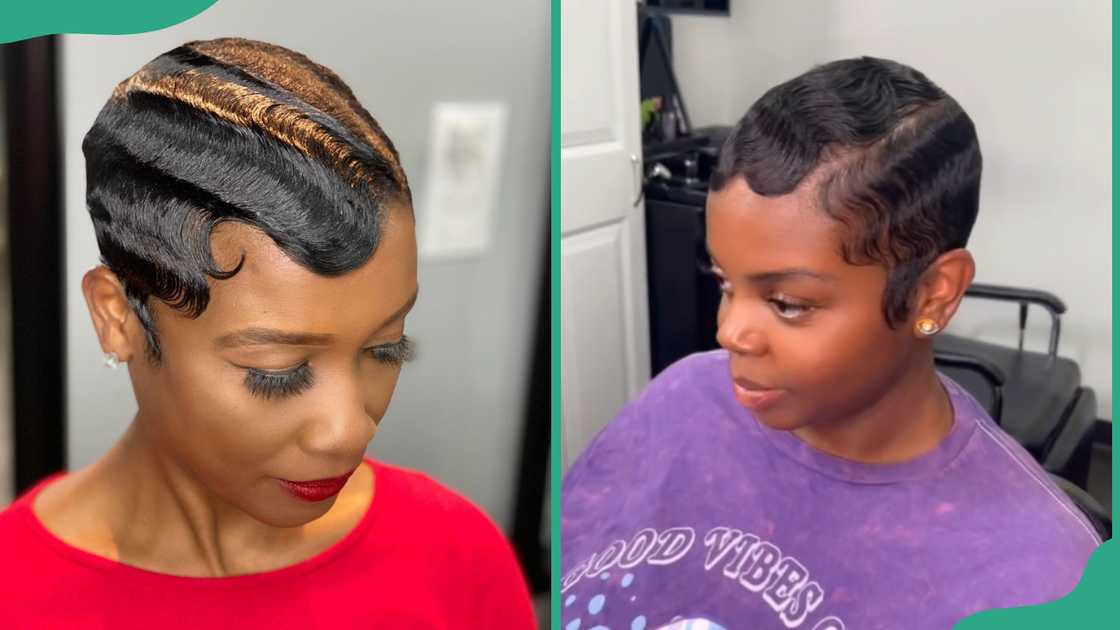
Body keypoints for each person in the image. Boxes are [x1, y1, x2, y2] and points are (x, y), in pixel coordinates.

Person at [0, 38, 535, 628]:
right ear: (117, 317)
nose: (349, 430)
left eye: (386, 347)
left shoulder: (455, 553)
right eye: (276, 372)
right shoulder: (16, 593)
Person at [561, 57, 1099, 630]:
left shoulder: (1037, 583)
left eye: (788, 303)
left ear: (932, 295)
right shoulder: (683, 394)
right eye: (724, 281)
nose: (729, 333)